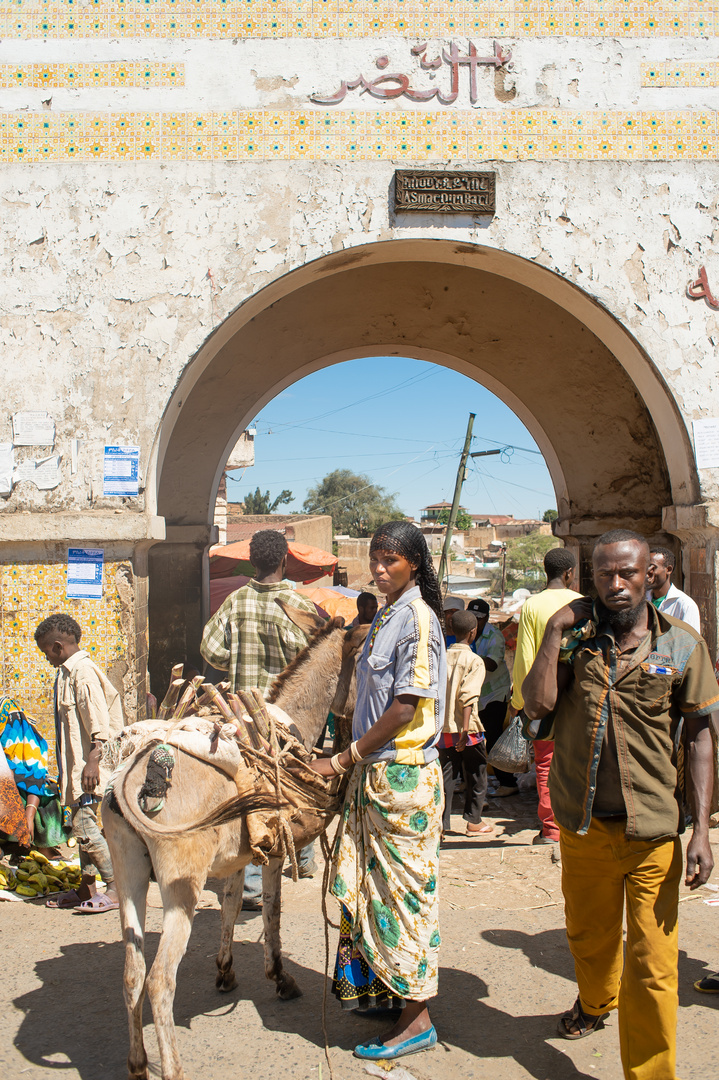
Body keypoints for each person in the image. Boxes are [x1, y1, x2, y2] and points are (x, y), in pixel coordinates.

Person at [522, 529, 718, 1079]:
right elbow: (536, 709)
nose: (616, 584)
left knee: (654, 967)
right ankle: (594, 1000)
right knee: (590, 937)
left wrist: (701, 829)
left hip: (653, 832)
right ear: (590, 581)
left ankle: (652, 1074)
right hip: (583, 828)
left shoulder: (681, 645)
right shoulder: (575, 641)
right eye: (604, 574)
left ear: (649, 575)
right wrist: (557, 628)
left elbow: (700, 735)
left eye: (627, 573)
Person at [309, 521, 446, 1061]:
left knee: (404, 901)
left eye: (391, 560)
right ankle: (385, 992)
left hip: (402, 779)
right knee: (372, 894)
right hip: (377, 776)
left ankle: (418, 1020)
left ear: (415, 563)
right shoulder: (386, 613)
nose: (380, 568)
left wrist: (344, 757)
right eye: (375, 558)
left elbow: (404, 708)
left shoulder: (416, 617)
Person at [201, 529, 320, 906]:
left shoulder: (236, 602)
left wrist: (237, 660)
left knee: (252, 790)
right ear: (285, 561)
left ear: (251, 561)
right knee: (298, 779)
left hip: (244, 715)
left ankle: (250, 882)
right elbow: (315, 663)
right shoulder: (299, 603)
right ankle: (302, 856)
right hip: (290, 716)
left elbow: (211, 650)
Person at [34, 613, 125, 912]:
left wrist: (92, 763)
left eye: (46, 651)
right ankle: (86, 888)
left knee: (85, 827)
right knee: (79, 826)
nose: (46, 657)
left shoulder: (82, 673)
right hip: (75, 771)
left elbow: (98, 725)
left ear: (58, 647)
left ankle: (115, 889)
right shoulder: (65, 673)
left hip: (88, 770)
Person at [509, 547, 577, 845]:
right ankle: (577, 823)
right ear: (569, 573)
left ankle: (551, 829)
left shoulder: (532, 606)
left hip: (543, 699)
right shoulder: (582, 603)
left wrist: (519, 704)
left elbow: (524, 657)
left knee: (546, 762)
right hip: (578, 698)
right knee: (579, 761)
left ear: (545, 571)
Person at [439, 609, 492, 837]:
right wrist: (464, 731)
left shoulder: (440, 658)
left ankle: (441, 824)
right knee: (476, 774)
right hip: (467, 730)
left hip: (442, 730)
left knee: (445, 778)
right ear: (473, 633)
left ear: (451, 629)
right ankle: (474, 822)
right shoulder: (475, 661)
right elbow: (467, 697)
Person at [0, 695, 68, 853]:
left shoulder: (14, 726)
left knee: (49, 808)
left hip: (27, 795)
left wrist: (29, 816)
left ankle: (34, 844)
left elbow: (34, 778)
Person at [467, 598, 514, 795]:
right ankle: (468, 781)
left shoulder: (494, 636)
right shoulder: (465, 634)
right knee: (469, 739)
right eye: (472, 617)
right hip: (474, 694)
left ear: (485, 618)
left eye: (478, 618)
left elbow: (493, 663)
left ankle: (508, 783)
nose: (475, 621)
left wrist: (465, 657)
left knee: (493, 737)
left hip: (494, 692)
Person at [647, 545, 701, 632]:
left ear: (668, 569)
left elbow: (690, 642)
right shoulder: (641, 600)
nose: (648, 572)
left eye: (653, 568)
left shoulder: (685, 605)